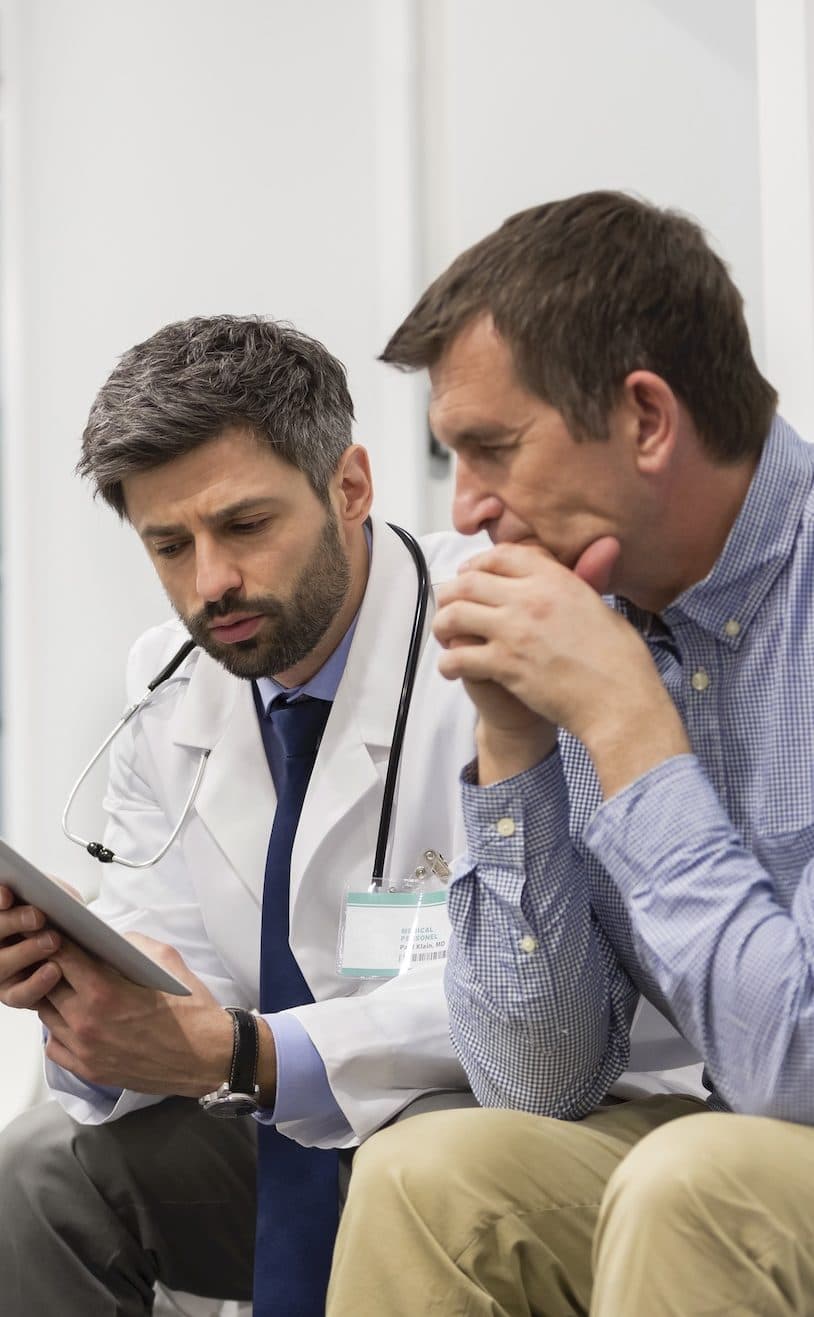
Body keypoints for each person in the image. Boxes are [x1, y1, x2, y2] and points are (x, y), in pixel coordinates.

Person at [326, 191, 814, 1316]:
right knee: (427, 1174)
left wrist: (632, 732)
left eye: (491, 449)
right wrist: (514, 744)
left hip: (759, 1130)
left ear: (646, 419)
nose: (470, 508)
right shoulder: (594, 622)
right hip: (726, 1137)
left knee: (694, 1183)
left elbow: (793, 1074)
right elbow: (535, 1084)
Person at [0, 316, 481, 1314]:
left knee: (420, 1164)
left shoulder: (488, 633)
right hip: (274, 1129)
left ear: (349, 487)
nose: (208, 583)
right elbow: (176, 950)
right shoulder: (169, 681)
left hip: (481, 1122)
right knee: (39, 1171)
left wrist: (242, 1051)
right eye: (168, 545)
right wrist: (91, 997)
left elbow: (534, 993)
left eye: (244, 526)